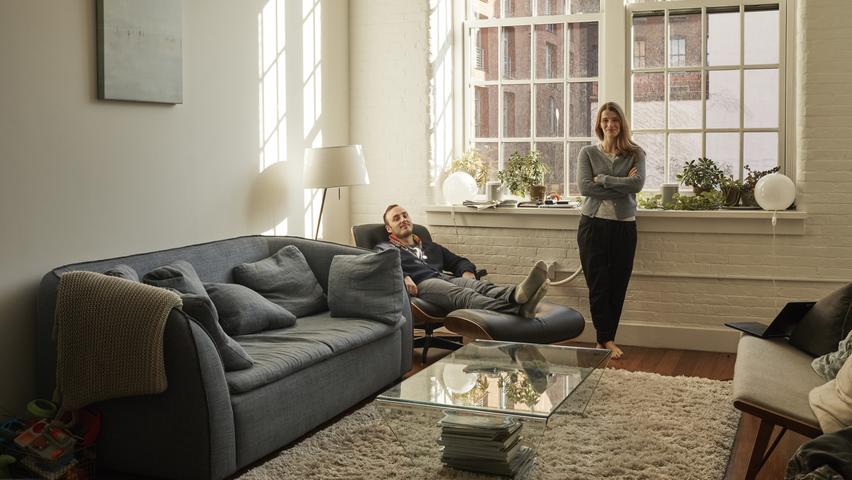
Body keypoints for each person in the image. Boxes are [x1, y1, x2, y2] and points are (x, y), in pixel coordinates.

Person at [378, 204, 549, 318]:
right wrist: (404, 276)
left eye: (404, 215)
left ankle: (517, 294)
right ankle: (518, 309)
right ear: (388, 228)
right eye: (396, 218)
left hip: (443, 277)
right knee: (465, 295)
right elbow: (384, 266)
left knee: (480, 286)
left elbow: (459, 261)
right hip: (422, 284)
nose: (403, 220)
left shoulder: (430, 246)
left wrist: (467, 272)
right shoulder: (386, 248)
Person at [575, 101, 645, 359]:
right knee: (598, 285)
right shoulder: (588, 154)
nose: (610, 125)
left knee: (617, 284)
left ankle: (606, 339)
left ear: (621, 124)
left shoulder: (635, 154)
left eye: (614, 120)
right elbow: (585, 188)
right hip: (592, 225)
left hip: (624, 228)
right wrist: (622, 183)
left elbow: (637, 185)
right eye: (605, 120)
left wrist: (603, 179)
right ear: (599, 124)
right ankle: (603, 339)